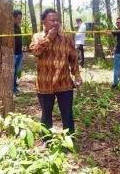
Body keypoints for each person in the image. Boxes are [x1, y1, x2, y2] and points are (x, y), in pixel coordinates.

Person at [29, 8, 82, 146]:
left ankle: (70, 139)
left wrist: (77, 74)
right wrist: (48, 39)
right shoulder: (37, 37)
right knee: (46, 114)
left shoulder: (66, 39)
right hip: (44, 84)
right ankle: (47, 139)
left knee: (67, 113)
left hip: (64, 82)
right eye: (52, 20)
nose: (55, 23)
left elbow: (73, 59)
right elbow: (35, 51)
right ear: (44, 22)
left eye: (57, 20)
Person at [13, 9, 23, 95]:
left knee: (16, 72)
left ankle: (15, 87)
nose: (20, 20)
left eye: (20, 18)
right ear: (13, 18)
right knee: (12, 72)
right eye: (18, 18)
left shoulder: (18, 27)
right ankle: (12, 88)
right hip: (13, 54)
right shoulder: (9, 28)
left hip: (19, 53)